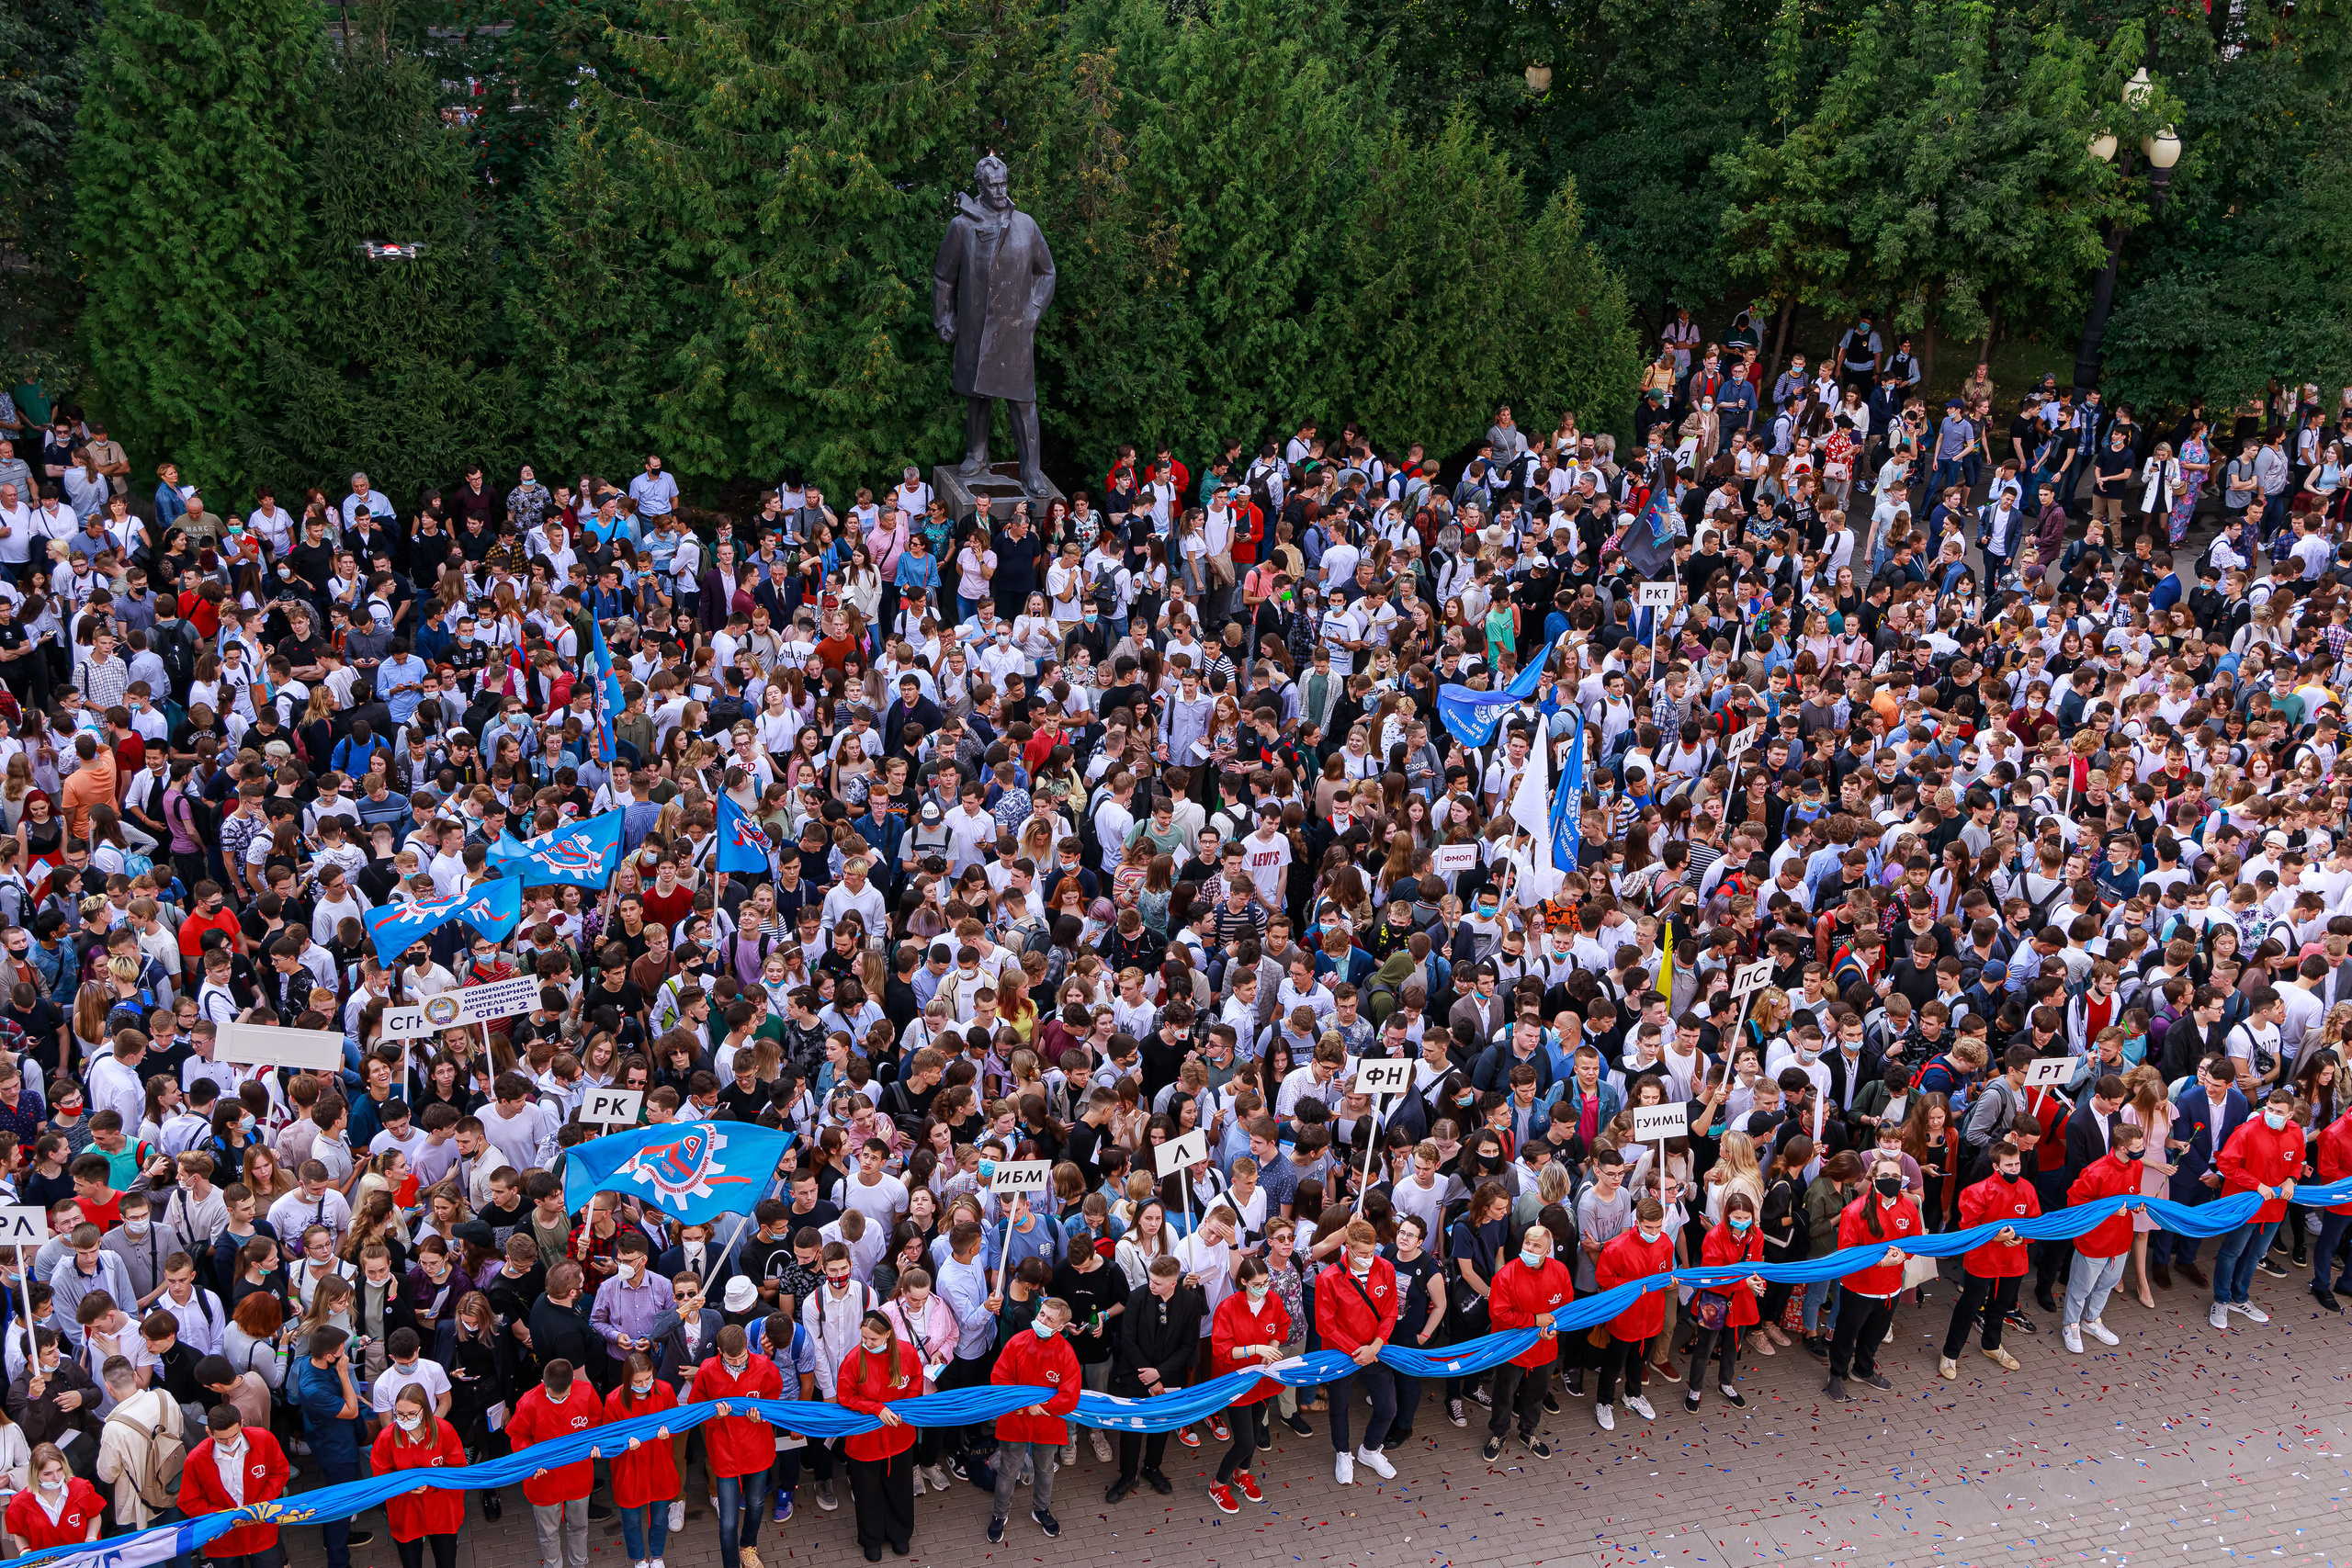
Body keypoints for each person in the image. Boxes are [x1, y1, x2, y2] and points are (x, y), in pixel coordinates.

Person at [1104, 1255, 1204, 1504]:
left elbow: (1188, 1345)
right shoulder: (1137, 1297)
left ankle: (1152, 1468)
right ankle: (1128, 1475)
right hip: (1136, 1374)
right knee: (1132, 1428)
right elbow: (1129, 1341)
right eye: (1151, 1279)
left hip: (1169, 1375)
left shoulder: (1190, 1302)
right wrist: (1149, 1377)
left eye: (1158, 1282)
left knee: (1161, 1425)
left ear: (1173, 1283)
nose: (1152, 1285)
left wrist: (1160, 1374)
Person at [1824, 1154, 1922, 1400]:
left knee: (1874, 1335)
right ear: (1874, 1179)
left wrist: (1903, 1257)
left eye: (1896, 1177)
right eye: (1885, 1176)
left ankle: (1863, 1370)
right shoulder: (1854, 1211)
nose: (1891, 1180)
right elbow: (1847, 1253)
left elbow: (1915, 1240)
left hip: (1891, 1288)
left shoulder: (1909, 1207)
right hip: (1859, 1289)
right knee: (1846, 1336)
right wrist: (1880, 1262)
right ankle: (1836, 1374)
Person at [984, 1293, 1080, 1540]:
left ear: (1060, 1328)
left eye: (1049, 1320)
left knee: (1045, 1469)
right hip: (1016, 1420)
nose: (1042, 1320)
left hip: (1047, 1422)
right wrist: (1028, 1407)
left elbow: (1070, 1395)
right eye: (1041, 1314)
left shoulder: (1066, 1353)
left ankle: (1042, 1509)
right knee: (1008, 1470)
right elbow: (999, 1379)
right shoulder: (1016, 1342)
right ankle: (999, 1514)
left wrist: (1044, 1408)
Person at [689, 1322, 783, 1568]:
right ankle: (730, 1563)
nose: (737, 1363)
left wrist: (762, 1414)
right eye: (731, 1359)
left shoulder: (764, 1367)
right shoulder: (707, 1371)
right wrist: (716, 1416)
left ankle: (748, 1548)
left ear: (747, 1347)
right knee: (728, 1520)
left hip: (757, 1449)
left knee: (756, 1504)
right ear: (719, 1351)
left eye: (741, 1357)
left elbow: (774, 1399)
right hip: (724, 1451)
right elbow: (696, 1408)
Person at [1940, 1140, 2038, 1377]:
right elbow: (1968, 1227)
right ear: (1996, 1166)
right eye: (2010, 1165)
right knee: (1969, 1306)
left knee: (2001, 1305)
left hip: (2013, 1261)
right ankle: (1950, 1354)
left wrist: (2022, 1239)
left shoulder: (2028, 1189)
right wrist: (1994, 1237)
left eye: (2017, 1164)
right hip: (1983, 1259)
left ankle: (1992, 1345)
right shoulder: (1977, 1192)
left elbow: (2035, 1224)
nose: (2015, 1169)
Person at [834, 1309, 923, 1562]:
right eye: (863, 1338)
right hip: (865, 1442)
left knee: (900, 1489)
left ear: (888, 1335)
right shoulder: (853, 1360)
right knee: (867, 1493)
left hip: (899, 1437)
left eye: (872, 1339)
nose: (867, 1344)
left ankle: (900, 1535)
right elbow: (846, 1396)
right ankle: (871, 1539)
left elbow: (916, 1381)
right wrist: (877, 1409)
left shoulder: (906, 1353)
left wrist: (906, 1407)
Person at [1314, 1218, 1398, 1483]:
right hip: (1342, 1355)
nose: (1369, 1258)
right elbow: (1325, 1326)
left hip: (1376, 1352)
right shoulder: (1327, 1279)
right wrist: (1357, 1351)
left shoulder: (1385, 1268)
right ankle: (1342, 1452)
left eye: (1372, 1252)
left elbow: (1390, 1312)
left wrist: (1375, 1345)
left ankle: (1370, 1449)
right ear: (1347, 1247)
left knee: (1388, 1408)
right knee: (1339, 1408)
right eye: (1362, 1253)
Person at [1204, 1254, 1290, 1513]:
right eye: (1258, 1284)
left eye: (1266, 1283)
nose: (1263, 1288)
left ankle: (1242, 1473)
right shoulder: (1227, 1308)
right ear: (1243, 1282)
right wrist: (1255, 1348)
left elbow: (1281, 1328)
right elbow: (1222, 1349)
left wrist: (1271, 1350)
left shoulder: (1273, 1301)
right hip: (1237, 1382)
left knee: (1254, 1432)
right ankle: (1218, 1484)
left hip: (1263, 1380)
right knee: (1244, 1440)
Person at [508, 1358, 605, 1568]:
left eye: (564, 1396)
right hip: (543, 1480)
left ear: (572, 1383)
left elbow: (597, 1422)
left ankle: (580, 1563)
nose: (559, 1399)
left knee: (580, 1526)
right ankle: (553, 1565)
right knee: (548, 1533)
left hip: (578, 1476)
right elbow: (517, 1435)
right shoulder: (528, 1402)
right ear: (544, 1383)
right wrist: (533, 1459)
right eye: (553, 1396)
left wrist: (595, 1443)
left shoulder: (586, 1393)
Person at [293, 1325, 375, 1563]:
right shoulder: (313, 1388)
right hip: (337, 1451)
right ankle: (338, 1558)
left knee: (343, 1496)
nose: (346, 1356)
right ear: (329, 1357)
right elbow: (349, 1411)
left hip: (340, 1439)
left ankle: (335, 1539)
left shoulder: (314, 1362)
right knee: (340, 1503)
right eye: (342, 1351)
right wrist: (342, 1374)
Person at [173, 1405, 291, 1568]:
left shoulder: (264, 1439)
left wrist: (257, 1509)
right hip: (223, 1539)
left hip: (262, 1532)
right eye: (221, 1439)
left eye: (234, 1435)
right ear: (209, 1432)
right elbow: (188, 1501)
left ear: (241, 1424)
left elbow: (279, 1473)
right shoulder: (195, 1460)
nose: (230, 1443)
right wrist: (227, 1517)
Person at [1588, 1205, 1670, 1434]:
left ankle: (1633, 1395)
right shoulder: (1617, 1247)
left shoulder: (1665, 1242)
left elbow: (1667, 1272)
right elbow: (1604, 1278)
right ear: (1637, 1223)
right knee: (1613, 1365)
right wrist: (1633, 1287)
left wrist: (1669, 1281)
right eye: (1648, 1227)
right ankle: (1603, 1402)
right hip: (1625, 1317)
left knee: (1639, 1361)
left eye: (1658, 1228)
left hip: (1652, 1316)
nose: (1654, 1233)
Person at [368, 1382, 468, 1568]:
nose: (405, 1420)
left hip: (441, 1510)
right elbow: (381, 1477)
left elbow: (458, 1469)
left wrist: (432, 1483)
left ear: (425, 1410)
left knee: (447, 1563)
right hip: (406, 1511)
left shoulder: (444, 1431)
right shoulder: (386, 1438)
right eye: (399, 1414)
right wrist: (406, 1486)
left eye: (411, 1414)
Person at [1684, 1191, 1763, 1411]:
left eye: (1746, 1216)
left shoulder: (1757, 1236)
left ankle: (1726, 1384)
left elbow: (1756, 1267)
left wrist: (1758, 1282)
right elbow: (1713, 1277)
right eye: (1737, 1217)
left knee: (1733, 1346)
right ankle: (1695, 1389)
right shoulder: (1714, 1237)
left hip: (1742, 1300)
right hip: (1714, 1299)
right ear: (1727, 1215)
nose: (1742, 1221)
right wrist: (1745, 1283)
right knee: (1704, 1347)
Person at [605, 1350, 681, 1568]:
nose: (644, 1384)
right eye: (638, 1381)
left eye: (648, 1378)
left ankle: (657, 1556)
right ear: (627, 1380)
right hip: (629, 1467)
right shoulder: (613, 1400)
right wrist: (624, 1443)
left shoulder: (664, 1390)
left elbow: (675, 1422)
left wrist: (670, 1432)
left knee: (659, 1518)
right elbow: (608, 1438)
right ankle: (638, 1559)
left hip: (659, 1463)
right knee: (631, 1520)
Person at [5, 1442, 105, 1556]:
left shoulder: (81, 1488)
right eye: (47, 1474)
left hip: (83, 1559)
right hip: (47, 1562)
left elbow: (94, 1515)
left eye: (59, 1470)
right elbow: (19, 1532)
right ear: (35, 1474)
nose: (56, 1478)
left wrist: (91, 1538)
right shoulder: (20, 1503)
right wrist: (25, 1551)